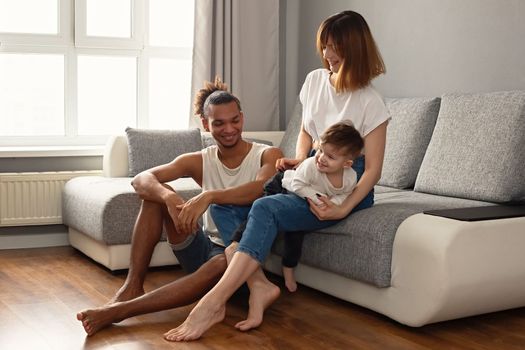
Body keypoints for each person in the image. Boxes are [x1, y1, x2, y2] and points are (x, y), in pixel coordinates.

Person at [165, 10, 389, 341]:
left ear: (355, 49)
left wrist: (341, 208)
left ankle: (213, 302)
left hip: (344, 185)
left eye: (335, 47)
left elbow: (372, 170)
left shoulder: (371, 102)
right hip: (311, 168)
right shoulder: (315, 80)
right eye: (325, 46)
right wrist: (299, 158)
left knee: (264, 207)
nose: (327, 55)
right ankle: (258, 285)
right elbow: (305, 131)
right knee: (224, 206)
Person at [76, 77, 283, 338]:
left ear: (242, 117)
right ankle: (132, 285)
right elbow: (141, 180)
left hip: (242, 259)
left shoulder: (267, 155)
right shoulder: (199, 160)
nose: (229, 129)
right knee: (153, 197)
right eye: (219, 123)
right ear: (206, 124)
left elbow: (260, 189)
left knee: (221, 261)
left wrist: (209, 196)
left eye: (235, 120)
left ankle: (120, 311)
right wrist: (168, 197)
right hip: (204, 248)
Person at [231, 121, 364, 292]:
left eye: (330, 157)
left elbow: (344, 195)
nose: (321, 158)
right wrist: (318, 199)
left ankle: (288, 269)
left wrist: (335, 205)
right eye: (321, 150)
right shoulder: (311, 165)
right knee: (262, 210)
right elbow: (297, 185)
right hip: (285, 183)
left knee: (295, 232)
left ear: (347, 164)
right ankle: (237, 240)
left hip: (305, 193)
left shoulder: (350, 178)